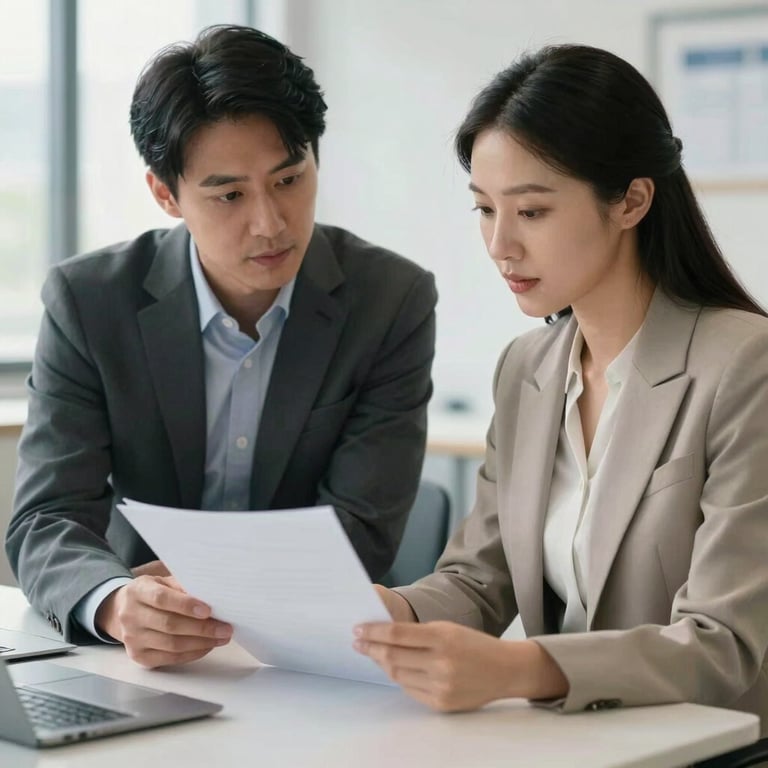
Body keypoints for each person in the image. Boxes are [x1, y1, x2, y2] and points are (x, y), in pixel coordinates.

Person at [354, 44, 768, 735]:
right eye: (484, 210)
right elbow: (476, 581)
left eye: (532, 212)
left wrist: (520, 668)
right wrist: (380, 615)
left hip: (705, 747)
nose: (500, 244)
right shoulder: (527, 369)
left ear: (632, 200)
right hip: (572, 743)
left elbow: (722, 644)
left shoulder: (743, 365)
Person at [6, 25, 436, 669]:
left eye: (289, 179)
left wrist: (212, 596)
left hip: (304, 656)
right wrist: (116, 601)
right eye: (229, 194)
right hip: (140, 648)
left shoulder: (390, 299)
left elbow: (362, 526)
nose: (270, 223)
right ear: (164, 193)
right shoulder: (90, 302)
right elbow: (46, 517)